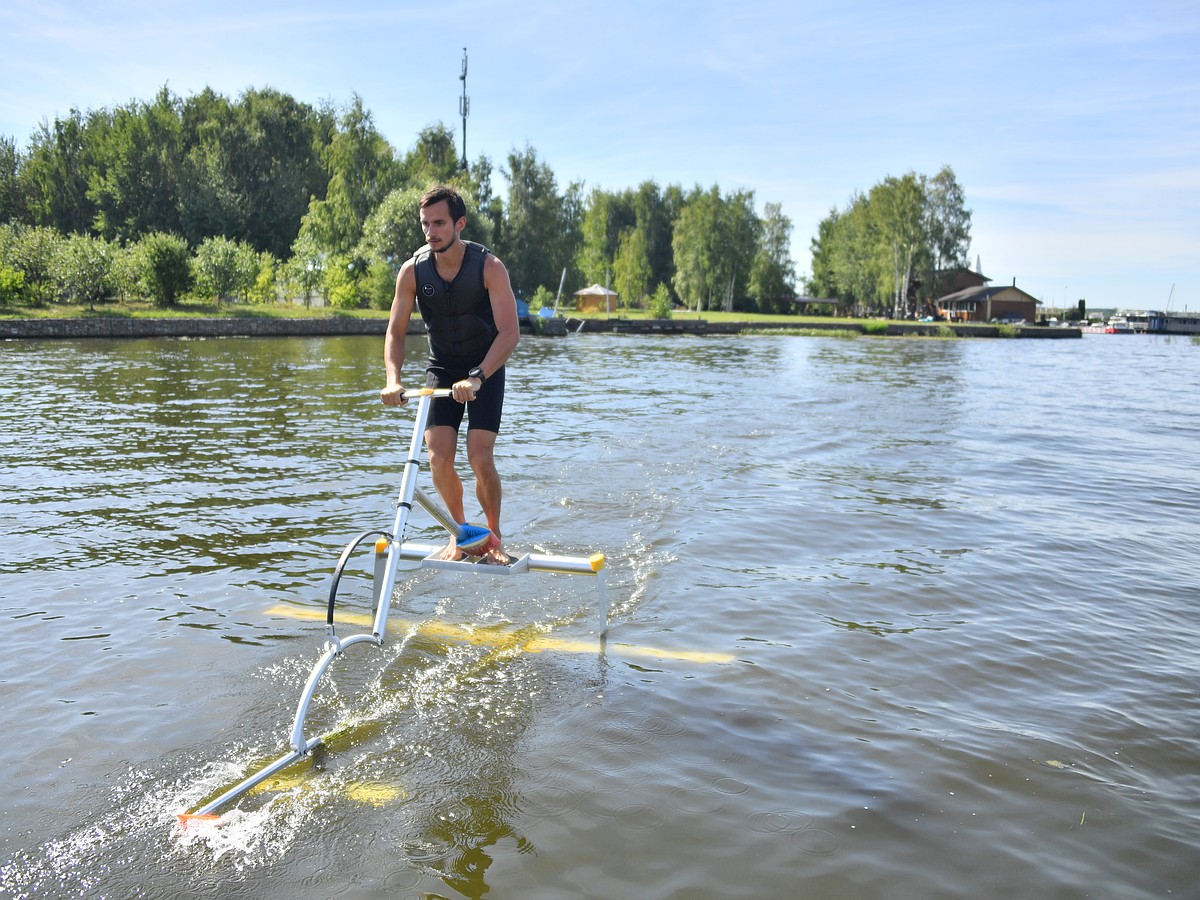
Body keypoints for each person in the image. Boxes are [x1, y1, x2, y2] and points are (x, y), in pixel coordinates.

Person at [380, 185, 520, 565]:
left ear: (459, 223)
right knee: (437, 458)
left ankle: (494, 537)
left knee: (479, 457)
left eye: (439, 223)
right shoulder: (412, 271)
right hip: (441, 368)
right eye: (425, 224)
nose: (431, 231)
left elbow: (510, 333)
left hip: (485, 367)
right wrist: (394, 379)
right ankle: (463, 535)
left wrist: (477, 377)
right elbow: (394, 332)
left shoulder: (489, 267)